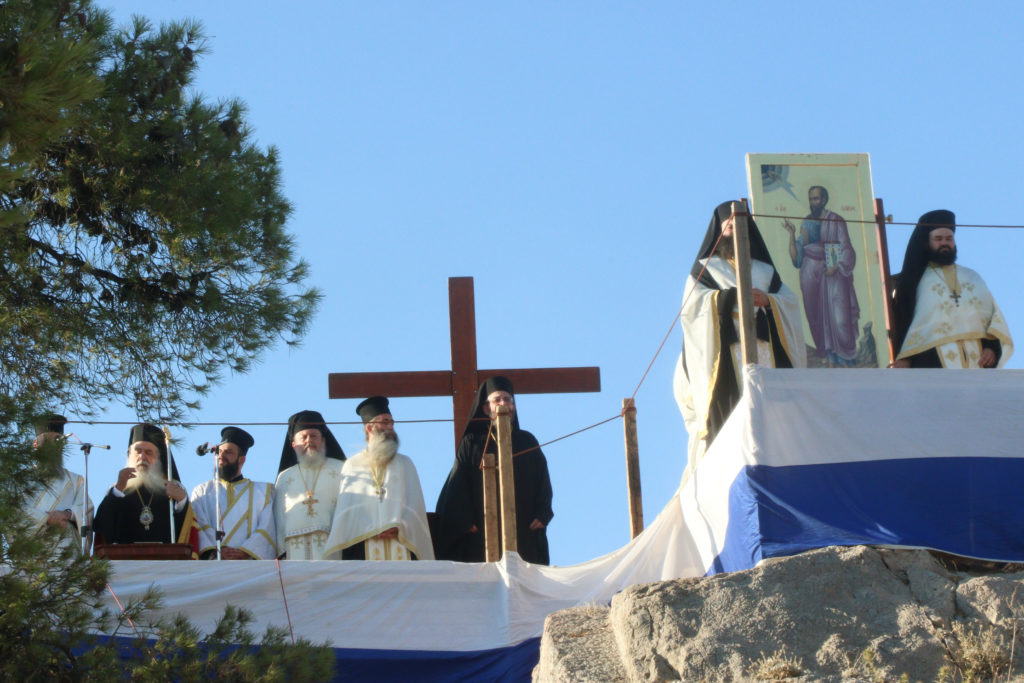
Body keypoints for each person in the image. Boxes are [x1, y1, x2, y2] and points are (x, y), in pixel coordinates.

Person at [673, 201, 806, 467]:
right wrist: (732, 297)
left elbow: (789, 303)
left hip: (763, 349)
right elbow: (693, 307)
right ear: (720, 229)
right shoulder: (705, 269)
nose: (734, 228)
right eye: (729, 224)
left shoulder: (766, 271)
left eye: (739, 224)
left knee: (771, 416)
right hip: (728, 353)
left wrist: (768, 301)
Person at [434, 376, 553, 565]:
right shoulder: (472, 443)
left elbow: (543, 481)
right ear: (485, 408)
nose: (503, 404)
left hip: (523, 529)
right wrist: (465, 520)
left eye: (508, 399)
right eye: (497, 400)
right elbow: (458, 484)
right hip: (481, 533)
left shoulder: (527, 441)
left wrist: (543, 512)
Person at [892, 209, 1013, 368]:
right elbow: (904, 318)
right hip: (931, 359)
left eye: (949, 238)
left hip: (976, 359)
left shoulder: (972, 277)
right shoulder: (915, 281)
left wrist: (991, 348)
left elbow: (991, 317)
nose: (945, 243)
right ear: (927, 243)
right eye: (938, 238)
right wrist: (904, 357)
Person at [323, 397, 434, 561]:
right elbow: (347, 514)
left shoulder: (405, 463)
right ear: (369, 428)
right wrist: (371, 527)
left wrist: (401, 527)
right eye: (385, 422)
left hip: (402, 543)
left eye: (392, 423)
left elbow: (415, 506)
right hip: (363, 547)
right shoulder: (352, 465)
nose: (390, 427)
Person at [782, 185, 860, 365]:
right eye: (811, 199)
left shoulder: (836, 220)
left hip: (832, 272)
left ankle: (843, 360)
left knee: (840, 317)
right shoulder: (806, 222)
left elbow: (847, 247)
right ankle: (824, 355)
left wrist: (837, 266)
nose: (813, 202)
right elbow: (797, 259)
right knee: (813, 314)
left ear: (824, 200)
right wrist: (791, 235)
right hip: (809, 271)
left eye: (816, 199)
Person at [93, 423, 198, 552]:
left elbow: (185, 533)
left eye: (148, 452)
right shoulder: (118, 490)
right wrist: (117, 490)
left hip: (166, 564)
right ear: (130, 455)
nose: (142, 457)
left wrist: (182, 502)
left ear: (158, 457)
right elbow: (102, 527)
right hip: (125, 564)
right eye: (138, 451)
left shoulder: (173, 489)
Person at [189, 427, 277, 560]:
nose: (221, 456)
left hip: (249, 566)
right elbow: (199, 524)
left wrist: (244, 551)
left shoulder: (264, 492)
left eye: (229, 452)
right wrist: (216, 550)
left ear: (241, 460)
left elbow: (267, 527)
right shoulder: (201, 491)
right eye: (219, 451)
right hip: (213, 565)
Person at [273, 410, 346, 559]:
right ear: (293, 444)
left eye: (314, 436)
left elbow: (348, 508)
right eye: (303, 437)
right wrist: (281, 551)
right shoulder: (285, 476)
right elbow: (278, 517)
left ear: (323, 441)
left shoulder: (341, 469)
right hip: (293, 550)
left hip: (331, 547)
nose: (309, 441)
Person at [22, 414, 93, 552]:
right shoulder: (20, 481)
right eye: (47, 441)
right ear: (35, 444)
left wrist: (67, 515)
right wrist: (46, 519)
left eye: (58, 440)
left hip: (66, 553)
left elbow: (86, 510)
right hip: (31, 556)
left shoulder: (76, 480)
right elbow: (14, 513)